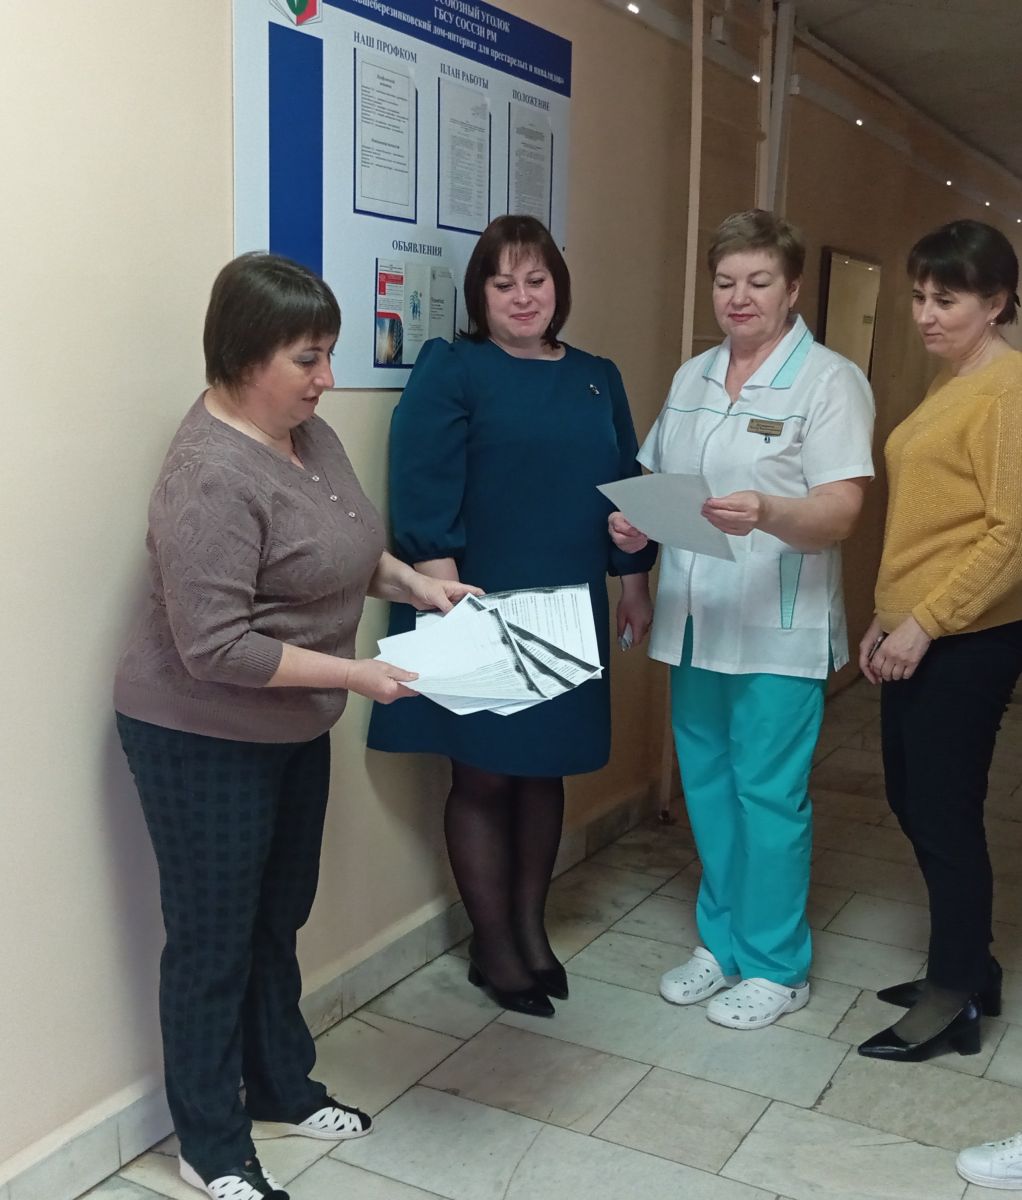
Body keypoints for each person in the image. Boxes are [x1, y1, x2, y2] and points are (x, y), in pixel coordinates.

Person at [113, 252, 480, 1200]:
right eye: (308, 359)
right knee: (213, 939)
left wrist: (419, 588)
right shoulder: (208, 474)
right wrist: (357, 674)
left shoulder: (304, 435)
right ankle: (210, 1144)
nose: (327, 378)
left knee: (277, 917)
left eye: (328, 354)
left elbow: (347, 548)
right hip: (201, 731)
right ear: (245, 357)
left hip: (288, 723)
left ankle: (282, 1085)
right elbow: (215, 648)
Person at [367, 214, 656, 1018]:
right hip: (476, 601)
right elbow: (422, 486)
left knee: (542, 769)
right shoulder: (453, 368)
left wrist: (633, 581)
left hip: (569, 606)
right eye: (503, 284)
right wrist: (453, 608)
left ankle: (530, 932)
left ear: (558, 285)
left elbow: (626, 492)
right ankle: (493, 948)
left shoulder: (597, 376)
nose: (523, 296)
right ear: (480, 294)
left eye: (536, 280)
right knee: (485, 773)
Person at [610, 209, 874, 1030]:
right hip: (695, 619)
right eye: (726, 281)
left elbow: (840, 511)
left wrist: (768, 511)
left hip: (776, 628)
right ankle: (720, 944)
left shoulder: (828, 381)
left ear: (792, 289)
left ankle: (776, 965)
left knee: (768, 796)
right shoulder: (693, 377)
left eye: (759, 281)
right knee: (710, 789)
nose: (740, 296)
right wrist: (637, 529)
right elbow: (659, 480)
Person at [856, 220, 1022, 1064]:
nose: (925, 314)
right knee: (914, 799)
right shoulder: (955, 378)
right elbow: (933, 524)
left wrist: (924, 622)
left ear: (996, 303)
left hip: (966, 640)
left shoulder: (1007, 391)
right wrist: (888, 611)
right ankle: (972, 966)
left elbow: (1011, 535)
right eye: (919, 296)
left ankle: (954, 994)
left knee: (945, 814)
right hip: (922, 627)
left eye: (945, 299)